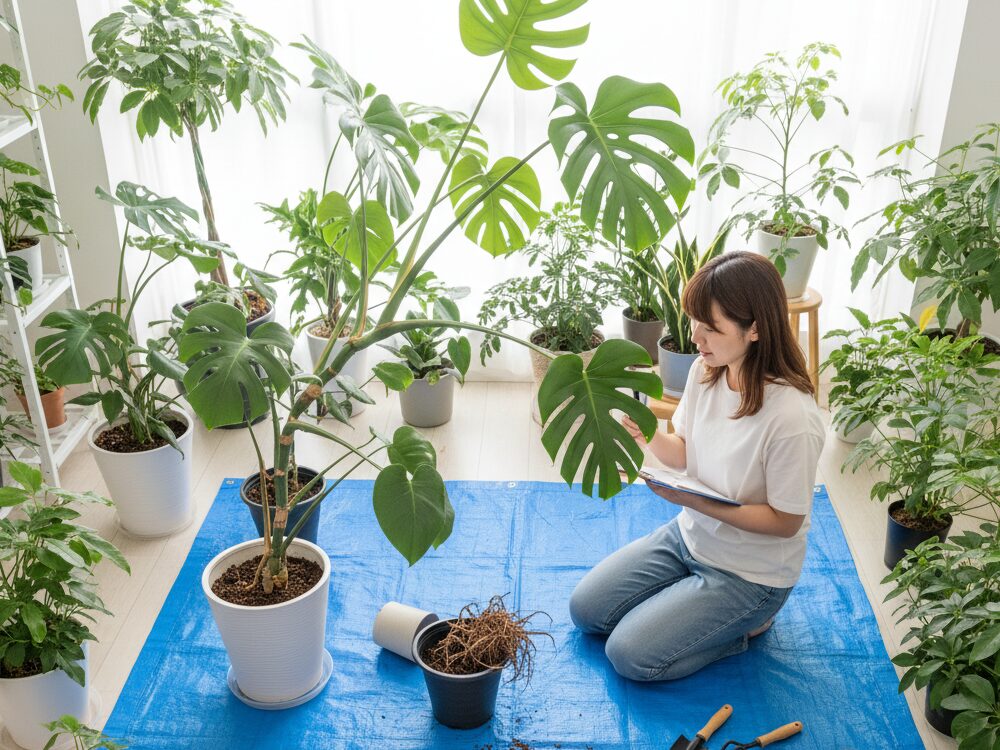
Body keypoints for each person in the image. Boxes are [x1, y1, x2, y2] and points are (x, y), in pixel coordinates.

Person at [569, 250, 826, 681]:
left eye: (711, 328)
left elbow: (786, 522)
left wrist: (691, 500)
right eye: (694, 322)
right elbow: (684, 451)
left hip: (750, 576)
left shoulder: (792, 419)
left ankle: (747, 628)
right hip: (689, 538)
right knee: (586, 611)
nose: (696, 338)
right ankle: (683, 605)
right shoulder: (707, 371)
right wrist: (647, 434)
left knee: (630, 655)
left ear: (756, 329)